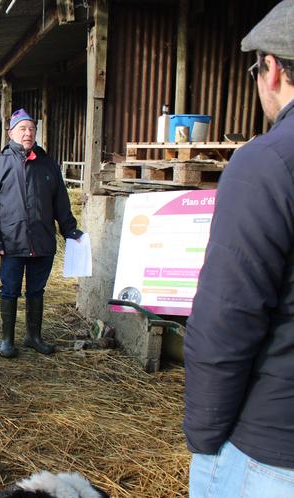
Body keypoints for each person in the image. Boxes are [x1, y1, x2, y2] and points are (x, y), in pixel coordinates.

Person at [184, 1, 294, 495]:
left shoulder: (266, 164)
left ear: (271, 69)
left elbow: (225, 320)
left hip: (271, 450)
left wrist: (205, 437)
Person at [0, 109, 82, 359]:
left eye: (31, 129)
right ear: (11, 133)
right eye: (22, 128)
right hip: (12, 242)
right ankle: (7, 340)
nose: (27, 133)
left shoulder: (48, 164)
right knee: (10, 290)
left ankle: (33, 337)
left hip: (42, 241)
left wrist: (70, 229)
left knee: (36, 291)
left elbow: (61, 201)